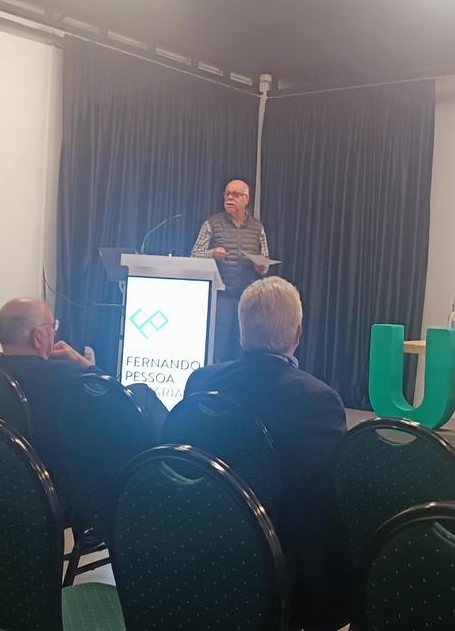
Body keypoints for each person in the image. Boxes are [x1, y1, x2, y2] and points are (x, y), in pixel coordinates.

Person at [184, 277, 348, 630]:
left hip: (203, 545)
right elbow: (324, 495)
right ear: (298, 333)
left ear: (242, 331)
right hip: (281, 560)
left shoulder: (200, 382)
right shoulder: (317, 400)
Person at [0, 298, 167, 470]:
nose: (55, 333)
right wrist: (83, 363)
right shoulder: (67, 378)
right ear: (38, 338)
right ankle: (168, 466)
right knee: (143, 394)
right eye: (53, 327)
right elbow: (117, 398)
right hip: (71, 477)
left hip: (13, 475)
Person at [192, 178, 270, 363]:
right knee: (217, 345)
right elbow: (194, 255)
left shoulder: (257, 227)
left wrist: (261, 267)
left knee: (247, 345)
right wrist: (212, 253)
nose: (230, 198)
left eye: (235, 194)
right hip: (221, 297)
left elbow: (265, 264)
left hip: (249, 298)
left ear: (246, 199)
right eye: (227, 194)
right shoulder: (212, 223)